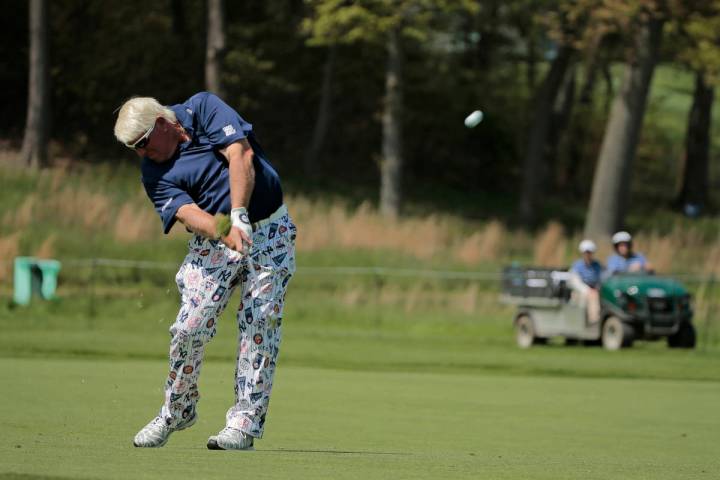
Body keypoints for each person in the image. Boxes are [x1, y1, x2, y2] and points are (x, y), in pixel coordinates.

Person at [113, 92, 296, 451]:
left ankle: (243, 424)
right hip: (214, 242)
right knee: (189, 327)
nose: (141, 153)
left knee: (260, 325)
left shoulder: (203, 109)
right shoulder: (153, 171)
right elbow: (185, 213)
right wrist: (224, 228)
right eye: (133, 148)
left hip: (271, 232)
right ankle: (177, 410)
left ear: (163, 124)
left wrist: (240, 213)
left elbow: (240, 154)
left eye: (143, 143)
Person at [569, 239, 602, 323]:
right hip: (579, 291)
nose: (587, 255)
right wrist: (587, 290)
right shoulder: (577, 265)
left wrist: (596, 288)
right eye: (585, 253)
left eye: (589, 252)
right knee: (589, 297)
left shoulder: (597, 266)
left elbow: (600, 280)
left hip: (594, 291)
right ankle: (592, 321)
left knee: (595, 295)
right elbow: (575, 282)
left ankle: (593, 321)